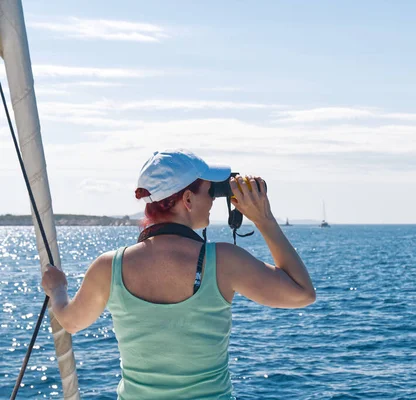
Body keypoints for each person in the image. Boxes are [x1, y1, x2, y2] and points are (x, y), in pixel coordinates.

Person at [41, 149, 316, 399]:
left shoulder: (108, 266)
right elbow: (302, 294)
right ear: (187, 199)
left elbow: (72, 322)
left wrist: (58, 289)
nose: (212, 200)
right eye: (210, 192)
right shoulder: (224, 261)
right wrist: (263, 218)